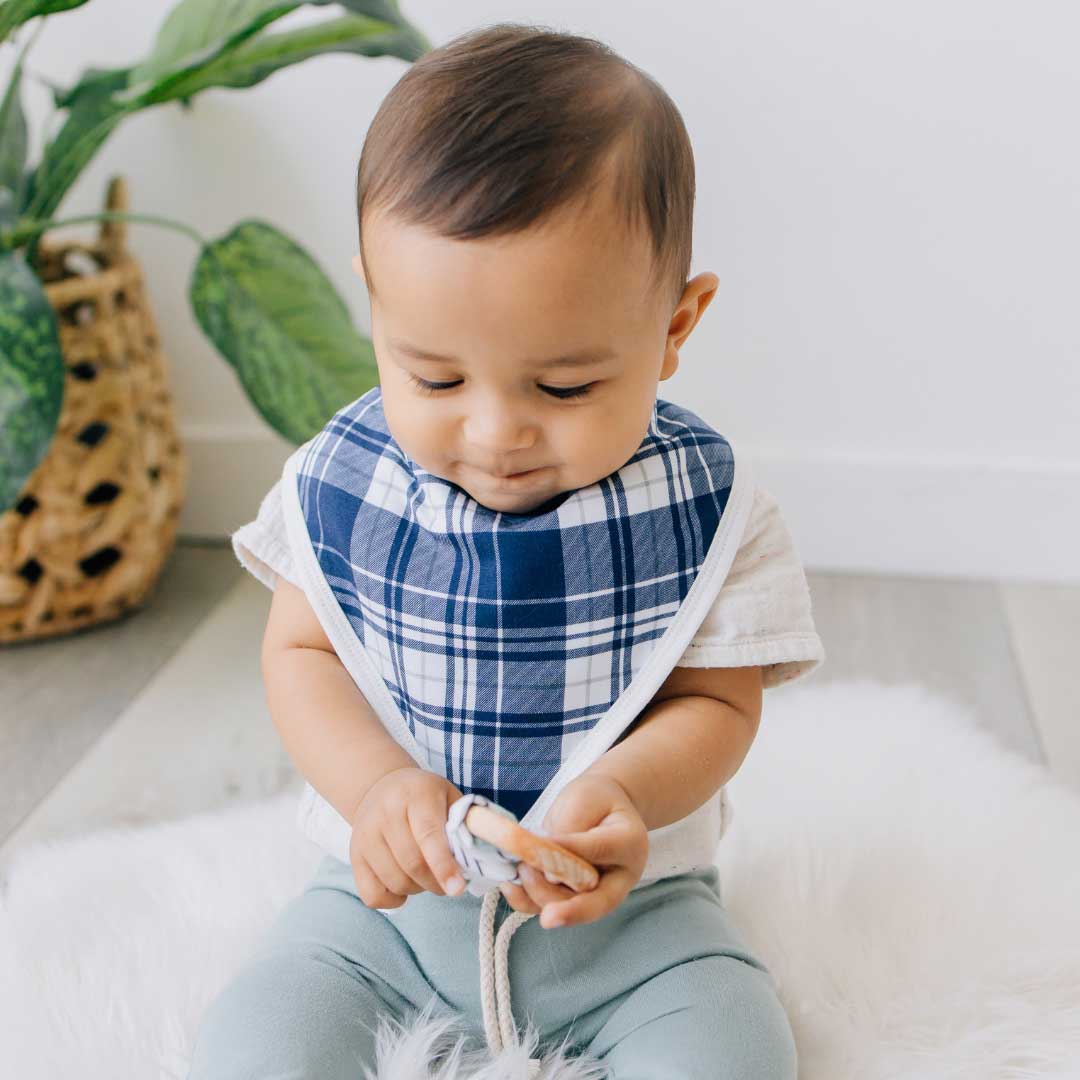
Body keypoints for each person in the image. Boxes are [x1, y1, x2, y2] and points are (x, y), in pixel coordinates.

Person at [188, 21, 824, 1080]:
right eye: (435, 378)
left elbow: (720, 702)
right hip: (382, 918)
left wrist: (626, 792)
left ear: (675, 325)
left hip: (631, 921)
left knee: (735, 1052)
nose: (494, 432)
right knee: (249, 1046)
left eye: (565, 386)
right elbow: (300, 655)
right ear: (375, 304)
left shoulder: (707, 511)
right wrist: (377, 788)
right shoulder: (348, 485)